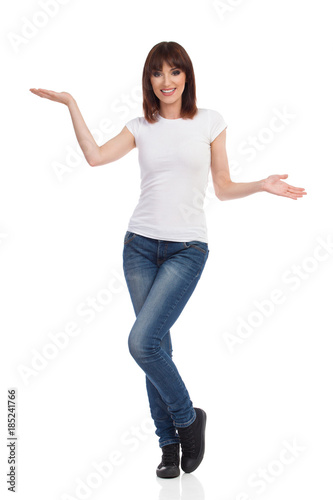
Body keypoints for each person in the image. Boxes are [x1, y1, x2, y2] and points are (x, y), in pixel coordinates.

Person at [29, 40, 307, 479]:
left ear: (186, 77)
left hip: (186, 249)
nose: (166, 81)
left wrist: (260, 185)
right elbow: (96, 156)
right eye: (157, 73)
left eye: (174, 72)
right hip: (139, 247)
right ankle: (169, 447)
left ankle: (187, 419)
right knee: (156, 348)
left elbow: (222, 186)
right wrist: (71, 104)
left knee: (142, 343)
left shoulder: (210, 122)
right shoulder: (141, 125)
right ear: (149, 80)